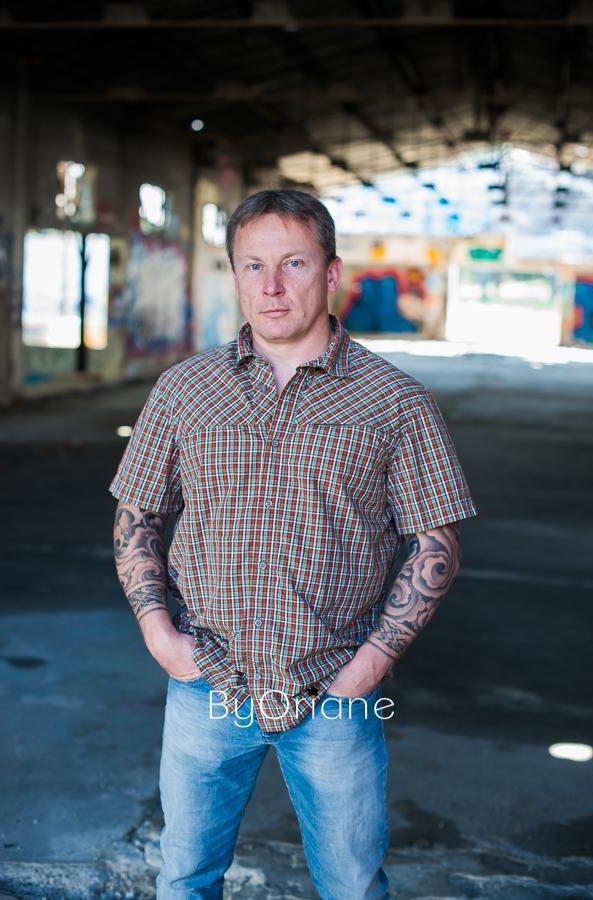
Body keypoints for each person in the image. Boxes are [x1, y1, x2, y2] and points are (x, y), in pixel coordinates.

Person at [110, 189, 477, 900]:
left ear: (331, 272)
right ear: (235, 275)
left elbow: (436, 541)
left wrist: (372, 663)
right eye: (253, 265)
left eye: (294, 263)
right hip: (205, 679)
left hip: (332, 688)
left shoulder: (395, 401)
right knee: (184, 879)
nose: (271, 286)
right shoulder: (184, 390)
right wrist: (158, 633)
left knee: (350, 886)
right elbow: (137, 516)